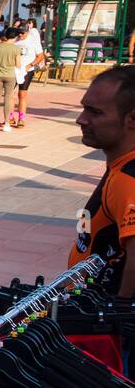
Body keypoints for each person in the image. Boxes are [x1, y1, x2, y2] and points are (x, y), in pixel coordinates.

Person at [70, 66, 135, 297]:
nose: (81, 119)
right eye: (83, 108)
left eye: (94, 112)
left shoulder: (128, 180)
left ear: (132, 119)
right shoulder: (118, 169)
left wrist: (119, 323)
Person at [12, 18, 46, 128]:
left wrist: (30, 65)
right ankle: (10, 117)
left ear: (27, 31)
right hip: (14, 70)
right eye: (19, 33)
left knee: (22, 94)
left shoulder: (33, 40)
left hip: (27, 70)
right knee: (10, 95)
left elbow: (41, 56)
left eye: (22, 33)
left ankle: (21, 118)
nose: (20, 35)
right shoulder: (15, 40)